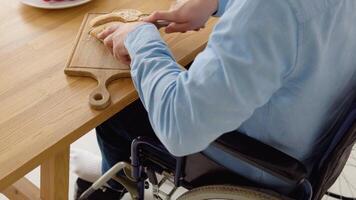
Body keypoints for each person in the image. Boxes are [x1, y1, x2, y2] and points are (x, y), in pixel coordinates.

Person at [73, 0, 356, 199]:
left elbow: (179, 125)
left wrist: (139, 39)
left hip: (254, 164)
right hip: (310, 137)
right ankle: (108, 173)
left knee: (120, 108)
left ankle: (110, 186)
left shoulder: (268, 9)